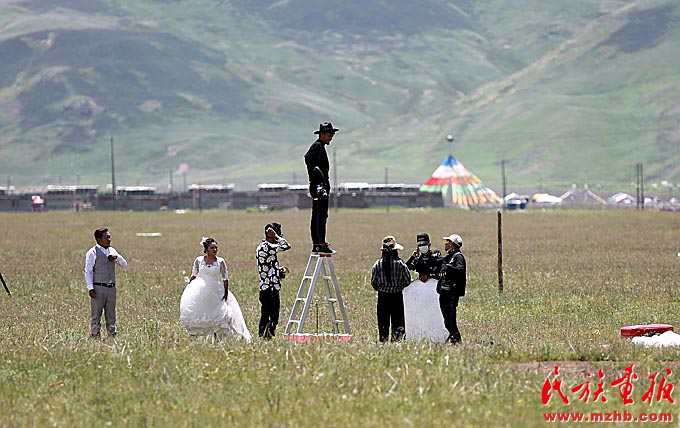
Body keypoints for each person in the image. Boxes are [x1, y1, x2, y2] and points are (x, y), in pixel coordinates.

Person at [180, 237, 251, 341]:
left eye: (216, 248)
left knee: (217, 314)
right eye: (212, 248)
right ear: (206, 249)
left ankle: (217, 338)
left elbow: (225, 278)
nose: (215, 250)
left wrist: (225, 293)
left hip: (215, 290)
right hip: (200, 290)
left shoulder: (220, 261)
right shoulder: (199, 260)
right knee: (200, 312)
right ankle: (196, 336)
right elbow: (194, 275)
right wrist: (189, 288)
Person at [84, 228, 127, 338]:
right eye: (106, 237)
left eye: (109, 237)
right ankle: (95, 336)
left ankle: (112, 336)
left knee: (111, 314)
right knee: (96, 314)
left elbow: (124, 264)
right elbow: (88, 271)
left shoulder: (112, 251)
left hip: (111, 288)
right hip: (98, 288)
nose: (109, 239)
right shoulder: (92, 253)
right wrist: (90, 288)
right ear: (99, 240)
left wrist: (116, 258)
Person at [304, 122, 339, 254]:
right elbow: (315, 167)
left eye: (332, 135)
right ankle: (321, 244)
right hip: (319, 186)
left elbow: (307, 159)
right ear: (322, 134)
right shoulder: (318, 146)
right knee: (321, 216)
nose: (331, 137)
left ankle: (316, 244)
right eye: (329, 134)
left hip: (316, 186)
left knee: (316, 215)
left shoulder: (317, 146)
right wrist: (320, 185)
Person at [370, 236, 412, 342]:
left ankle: (383, 339)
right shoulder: (401, 264)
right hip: (397, 296)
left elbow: (374, 282)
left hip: (382, 296)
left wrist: (382, 288)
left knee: (383, 321)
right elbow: (407, 280)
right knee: (397, 321)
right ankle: (396, 340)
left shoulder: (377, 264)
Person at [255, 223, 291, 339]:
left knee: (274, 316)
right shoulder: (265, 247)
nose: (280, 236)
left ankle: (269, 336)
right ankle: (263, 336)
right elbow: (286, 246)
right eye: (279, 234)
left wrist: (278, 272)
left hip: (273, 287)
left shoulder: (270, 247)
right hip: (267, 288)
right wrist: (277, 237)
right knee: (267, 315)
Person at [437, 234, 466, 344]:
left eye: (448, 241)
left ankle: (457, 342)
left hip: (452, 293)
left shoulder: (458, 257)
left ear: (452, 244)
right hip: (444, 292)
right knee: (447, 321)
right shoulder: (449, 257)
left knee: (450, 321)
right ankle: (454, 340)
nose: (445, 243)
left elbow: (460, 270)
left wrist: (448, 268)